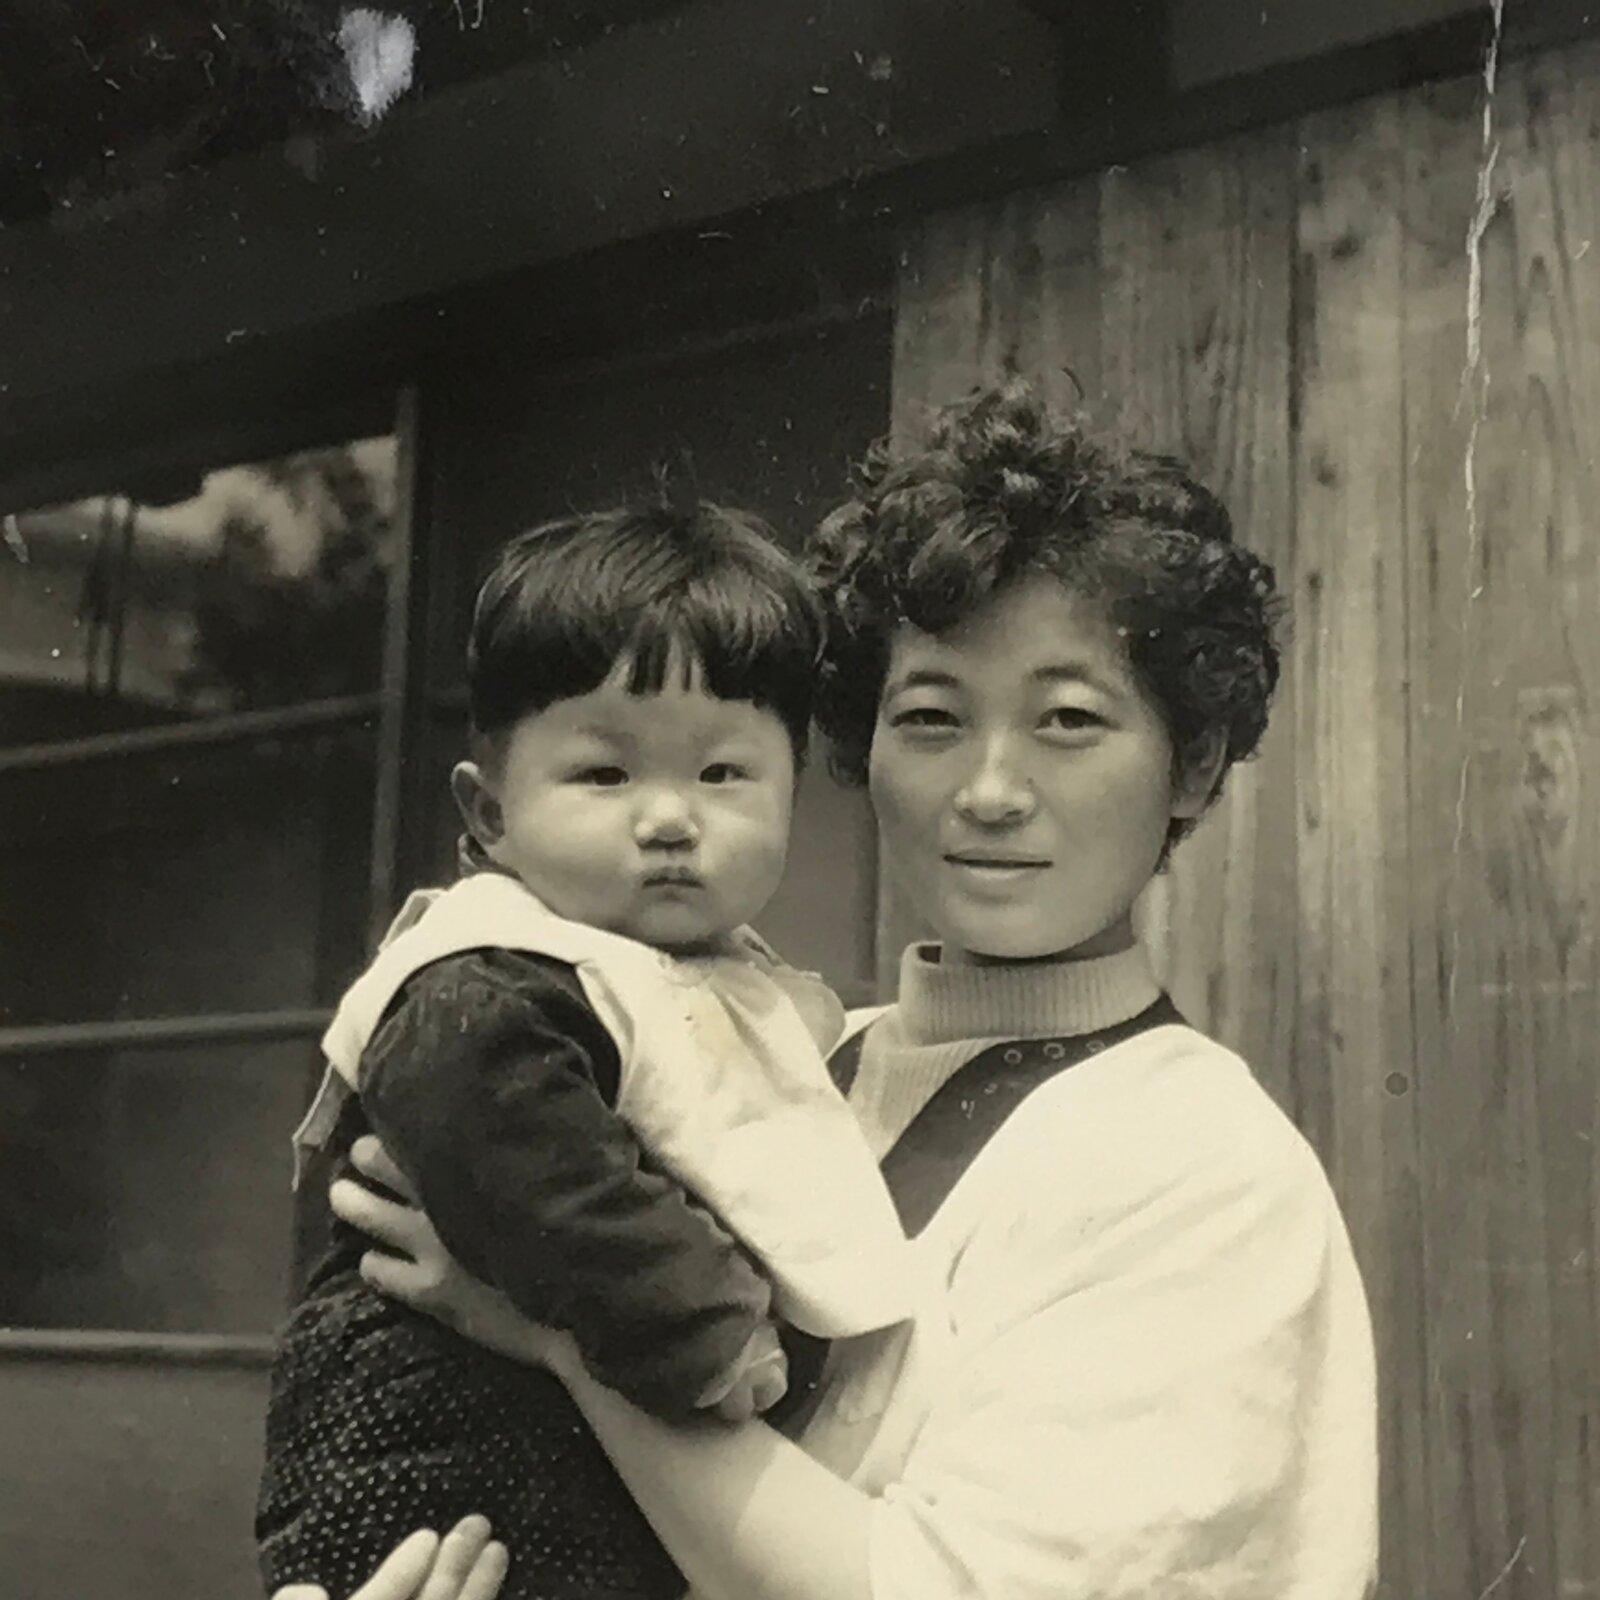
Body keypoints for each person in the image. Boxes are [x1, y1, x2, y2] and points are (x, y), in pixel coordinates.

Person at [291, 381, 1380, 1600]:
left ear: (1190, 764)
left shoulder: (1200, 1165)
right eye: (930, 717)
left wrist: (559, 1335)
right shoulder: (767, 1056)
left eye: (1068, 718)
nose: (990, 788)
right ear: (858, 751)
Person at [258, 502, 915, 1600]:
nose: (669, 817)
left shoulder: (740, 988)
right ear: (489, 813)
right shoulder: (492, 970)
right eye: (605, 776)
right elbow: (540, 1169)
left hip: (577, 1449)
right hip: (433, 1454)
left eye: (722, 775)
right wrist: (706, 1331)